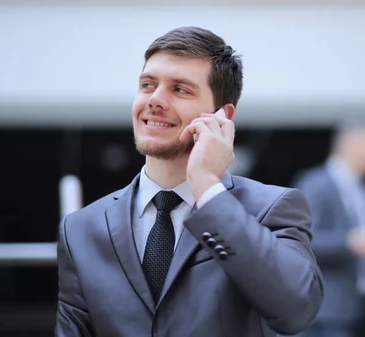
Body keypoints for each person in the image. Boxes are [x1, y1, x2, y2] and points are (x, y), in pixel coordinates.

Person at [54, 26, 323, 337]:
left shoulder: (272, 208)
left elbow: (296, 310)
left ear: (223, 115)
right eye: (147, 85)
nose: (155, 100)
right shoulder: (80, 229)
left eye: (180, 89)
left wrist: (208, 188)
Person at [293, 122, 365, 337]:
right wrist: (348, 243)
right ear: (350, 145)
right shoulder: (316, 184)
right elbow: (300, 240)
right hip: (331, 311)